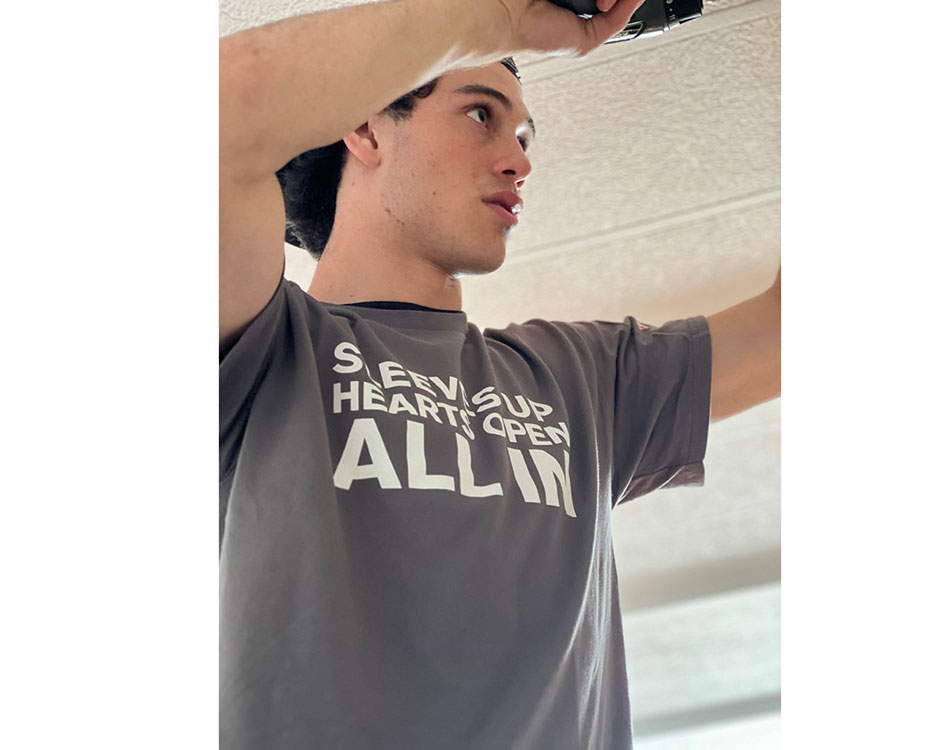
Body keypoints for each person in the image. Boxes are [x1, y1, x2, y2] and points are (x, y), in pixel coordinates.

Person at [219, 0, 780, 747]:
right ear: (363, 125)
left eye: (522, 134)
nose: (518, 158)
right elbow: (221, 110)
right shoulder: (263, 345)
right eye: (480, 115)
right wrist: (501, 15)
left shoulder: (581, 379)